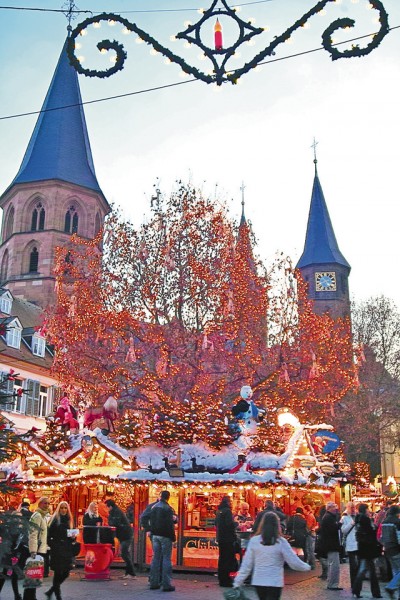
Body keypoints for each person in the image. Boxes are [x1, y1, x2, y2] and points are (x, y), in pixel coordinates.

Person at [233, 511, 311, 600]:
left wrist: (237, 581)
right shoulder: (281, 542)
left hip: (259, 581)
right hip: (275, 581)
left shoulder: (254, 541)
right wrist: (306, 567)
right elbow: (293, 561)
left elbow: (247, 564)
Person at [45, 501, 78, 600]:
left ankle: (51, 591)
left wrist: (73, 537)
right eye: (62, 508)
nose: (63, 510)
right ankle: (58, 595)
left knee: (66, 572)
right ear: (59, 509)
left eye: (65, 508)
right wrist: (54, 546)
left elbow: (73, 536)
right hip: (57, 549)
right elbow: (49, 536)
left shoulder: (70, 520)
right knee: (58, 572)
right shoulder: (55, 520)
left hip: (67, 548)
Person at [148, 490, 177, 592]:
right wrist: (173, 538)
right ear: (168, 497)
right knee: (166, 559)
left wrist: (150, 532)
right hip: (165, 536)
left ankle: (153, 582)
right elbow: (170, 525)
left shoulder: (154, 507)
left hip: (155, 535)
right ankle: (166, 584)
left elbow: (150, 521)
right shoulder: (167, 508)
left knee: (155, 558)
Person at [23, 496, 51, 600]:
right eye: (45, 503)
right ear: (39, 504)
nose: (47, 505)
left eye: (48, 503)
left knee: (35, 575)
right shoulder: (37, 515)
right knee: (32, 574)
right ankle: (28, 597)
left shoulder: (43, 516)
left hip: (41, 549)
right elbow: (33, 534)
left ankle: (31, 596)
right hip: (36, 550)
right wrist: (33, 550)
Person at [352, 503, 382, 599]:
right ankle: (358, 590)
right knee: (364, 571)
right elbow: (370, 532)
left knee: (370, 571)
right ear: (365, 510)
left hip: (363, 548)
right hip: (367, 548)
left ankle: (373, 592)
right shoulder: (365, 519)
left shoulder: (358, 519)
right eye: (367, 509)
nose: (369, 511)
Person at [0, 508, 30, 600]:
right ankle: (17, 595)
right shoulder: (11, 529)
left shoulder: (18, 529)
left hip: (13, 555)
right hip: (10, 555)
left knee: (10, 575)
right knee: (9, 575)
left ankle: (17, 595)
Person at [105, 499, 136, 580]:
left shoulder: (116, 512)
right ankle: (128, 573)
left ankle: (131, 573)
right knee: (125, 554)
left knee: (125, 553)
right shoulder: (115, 511)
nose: (106, 509)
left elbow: (115, 523)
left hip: (126, 535)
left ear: (110, 506)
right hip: (123, 534)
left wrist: (110, 522)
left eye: (107, 507)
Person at [317, 501, 343, 591]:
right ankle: (332, 584)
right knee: (334, 565)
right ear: (329, 508)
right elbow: (333, 530)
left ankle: (332, 583)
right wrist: (340, 524)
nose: (336, 509)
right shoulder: (329, 518)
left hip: (330, 545)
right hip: (331, 545)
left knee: (333, 564)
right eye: (334, 507)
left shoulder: (328, 517)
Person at [215, 496, 238, 588]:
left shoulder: (218, 511)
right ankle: (226, 580)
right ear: (228, 502)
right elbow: (229, 525)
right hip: (228, 539)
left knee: (222, 559)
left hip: (221, 538)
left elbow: (216, 524)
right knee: (228, 559)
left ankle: (221, 578)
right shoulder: (227, 511)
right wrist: (236, 523)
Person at [380, 505, 400, 599]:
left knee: (396, 571)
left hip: (387, 549)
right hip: (396, 549)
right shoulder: (397, 522)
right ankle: (391, 586)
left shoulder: (384, 522)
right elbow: (399, 537)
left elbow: (381, 536)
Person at [303, 504, 317, 569]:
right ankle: (312, 564)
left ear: (307, 510)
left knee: (310, 549)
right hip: (312, 534)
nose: (303, 511)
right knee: (310, 549)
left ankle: (312, 565)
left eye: (304, 510)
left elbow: (308, 526)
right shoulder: (311, 515)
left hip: (310, 534)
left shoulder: (309, 516)